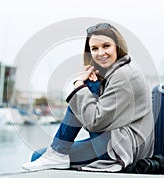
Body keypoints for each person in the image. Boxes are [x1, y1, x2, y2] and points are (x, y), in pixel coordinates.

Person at [22, 23, 154, 172]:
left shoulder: (124, 76)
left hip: (125, 149)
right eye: (94, 48)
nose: (100, 53)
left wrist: (80, 85)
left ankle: (58, 152)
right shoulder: (114, 71)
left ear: (117, 46)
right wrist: (91, 83)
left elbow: (95, 122)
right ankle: (57, 153)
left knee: (83, 90)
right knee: (37, 156)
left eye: (106, 46)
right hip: (114, 140)